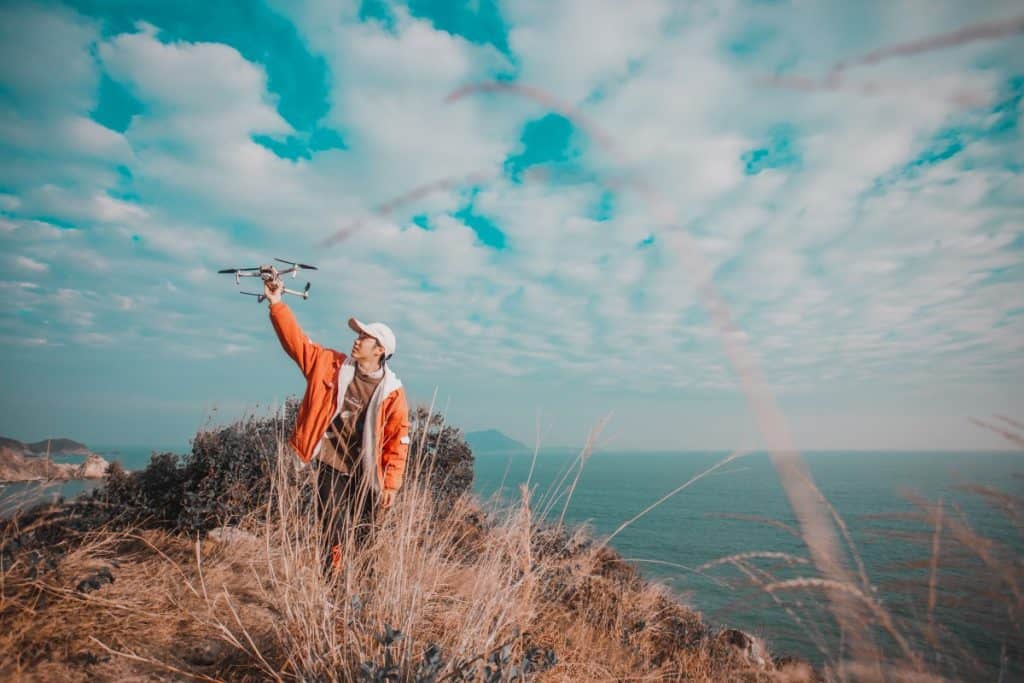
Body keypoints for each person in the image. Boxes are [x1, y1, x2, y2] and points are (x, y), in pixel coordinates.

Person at [263, 278, 410, 571]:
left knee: (364, 534)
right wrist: (276, 303)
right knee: (331, 528)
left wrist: (391, 484)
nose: (356, 339)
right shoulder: (329, 364)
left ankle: (362, 590)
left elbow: (399, 440)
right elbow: (297, 343)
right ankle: (331, 589)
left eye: (364, 337)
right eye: (358, 334)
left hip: (367, 472)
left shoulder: (392, 392)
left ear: (379, 350)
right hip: (332, 465)